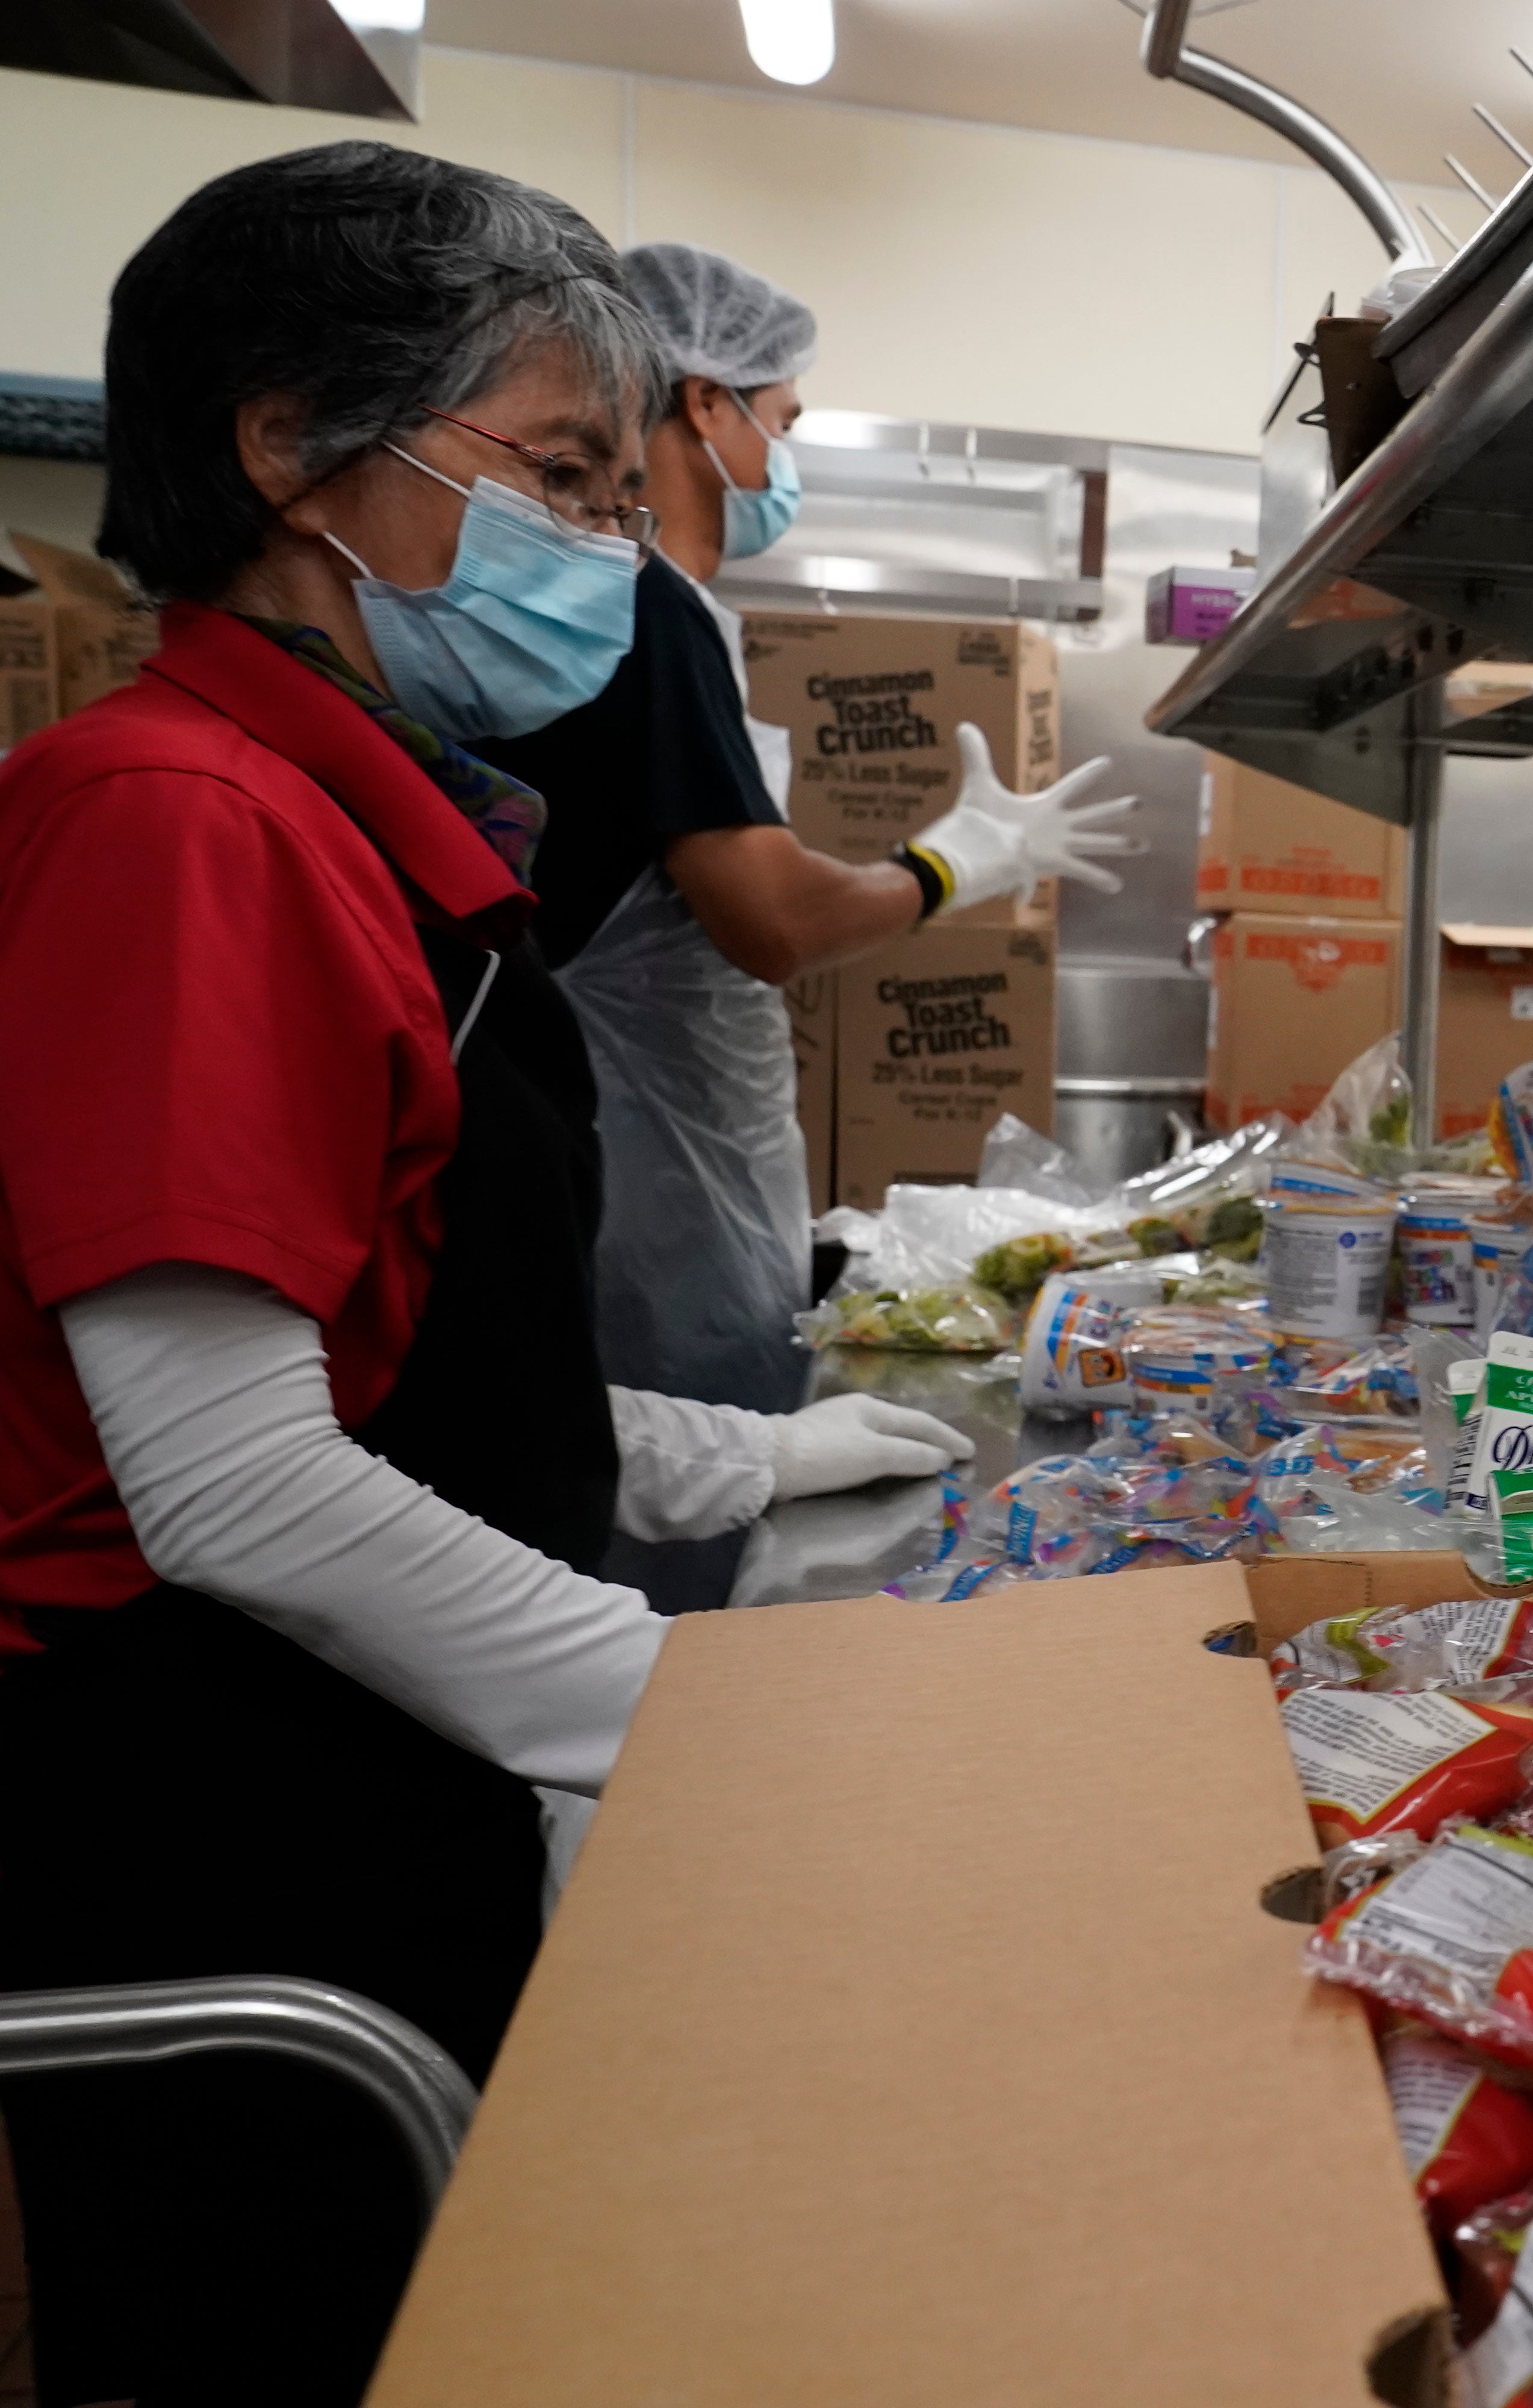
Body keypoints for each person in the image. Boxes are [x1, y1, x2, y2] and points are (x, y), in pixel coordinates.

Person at [0, 145, 985, 2406]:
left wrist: (755, 1447)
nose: (608, 558)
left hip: (373, 1773)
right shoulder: (178, 822)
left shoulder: (362, 818)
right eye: (561, 478)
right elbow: (231, 1481)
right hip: (232, 1859)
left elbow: (400, 1364)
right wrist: (698, 1717)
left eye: (622, 496)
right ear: (287, 442)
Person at [479, 242, 1140, 1413]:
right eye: (781, 420)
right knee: (680, 1518)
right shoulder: (644, 611)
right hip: (646, 1193)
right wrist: (953, 862)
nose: (783, 458)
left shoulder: (644, 612)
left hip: (668, 1166)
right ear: (705, 404)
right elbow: (773, 920)